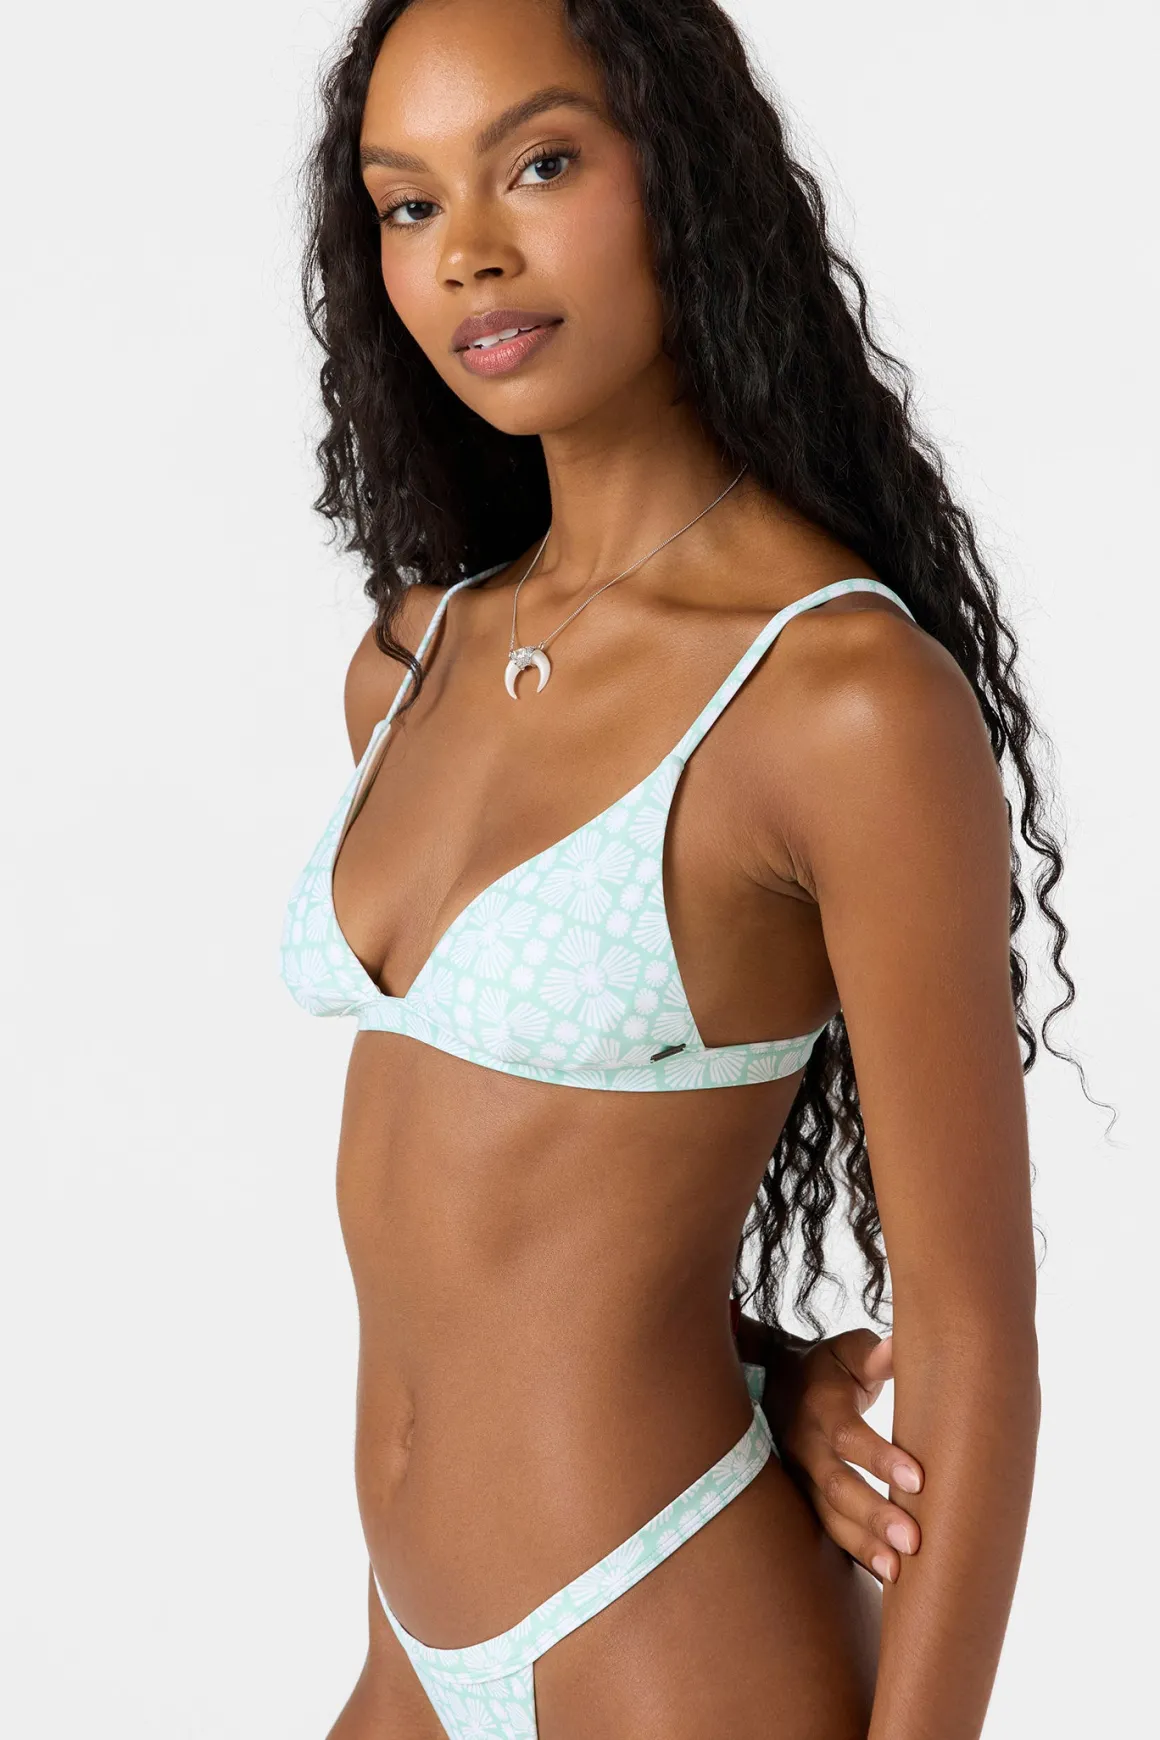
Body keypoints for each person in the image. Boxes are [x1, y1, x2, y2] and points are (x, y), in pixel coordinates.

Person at [281, 1, 1060, 1733]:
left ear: (682, 173)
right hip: (404, 1652)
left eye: (541, 164)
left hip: (666, 1632)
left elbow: (973, 1340)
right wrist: (764, 1370)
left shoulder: (841, 701)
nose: (469, 254)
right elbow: (533, 1215)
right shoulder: (411, 664)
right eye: (408, 204)